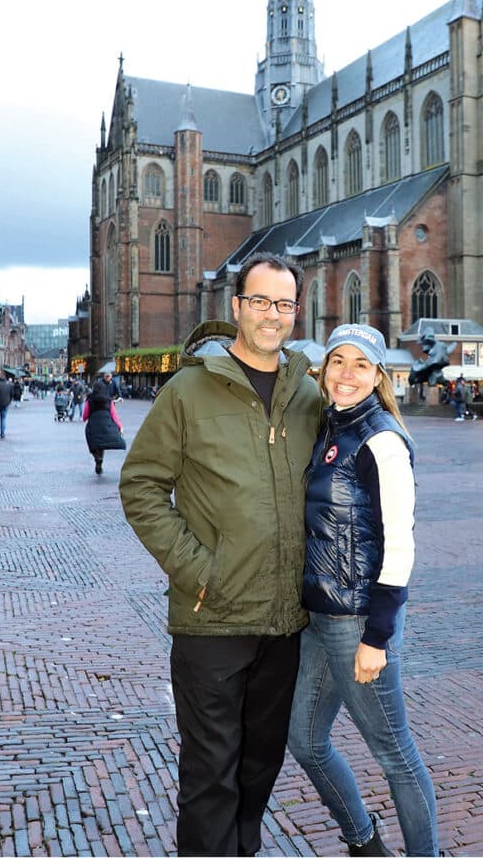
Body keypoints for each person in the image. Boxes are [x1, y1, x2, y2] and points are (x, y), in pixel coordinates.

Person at [119, 253, 322, 858]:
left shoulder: (308, 393)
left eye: (283, 304)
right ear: (236, 308)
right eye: (260, 301)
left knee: (260, 765)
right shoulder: (188, 389)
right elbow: (142, 485)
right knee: (211, 773)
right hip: (212, 618)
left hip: (286, 620)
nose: (272, 315)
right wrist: (196, 569)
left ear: (295, 312)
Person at [287, 323, 438, 858]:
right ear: (324, 369)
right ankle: (364, 841)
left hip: (356, 624)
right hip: (320, 616)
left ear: (378, 376)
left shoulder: (382, 441)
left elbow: (400, 546)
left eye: (360, 364)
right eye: (337, 362)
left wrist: (378, 634)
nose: (346, 374)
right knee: (305, 740)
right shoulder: (331, 427)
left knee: (396, 754)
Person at [83, 381, 125, 472]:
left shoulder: (89, 399)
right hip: (106, 425)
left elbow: (85, 416)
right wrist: (120, 426)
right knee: (101, 445)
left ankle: (96, 457)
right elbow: (114, 416)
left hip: (93, 425)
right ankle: (100, 460)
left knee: (92, 443)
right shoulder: (109, 400)